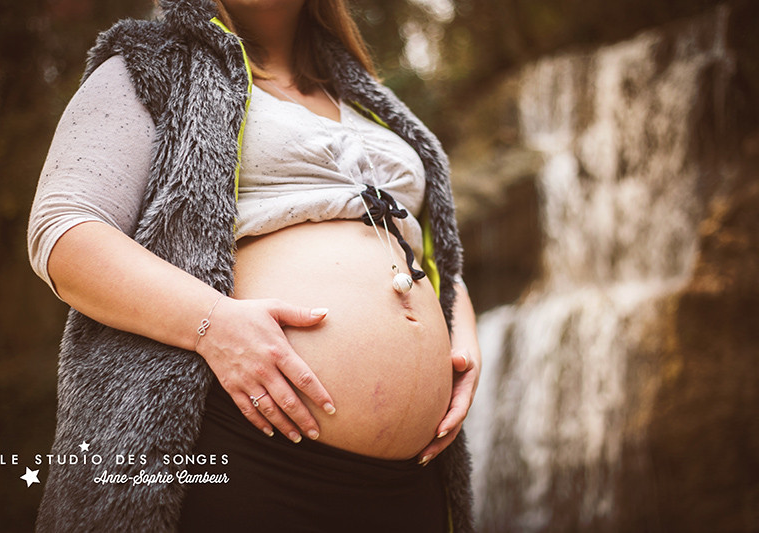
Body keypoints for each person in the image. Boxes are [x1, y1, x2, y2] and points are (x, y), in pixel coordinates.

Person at [28, 0, 480, 530]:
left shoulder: (372, 102)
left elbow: (429, 252)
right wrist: (212, 326)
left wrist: (462, 334)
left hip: (412, 479)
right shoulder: (150, 64)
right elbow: (63, 232)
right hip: (243, 443)